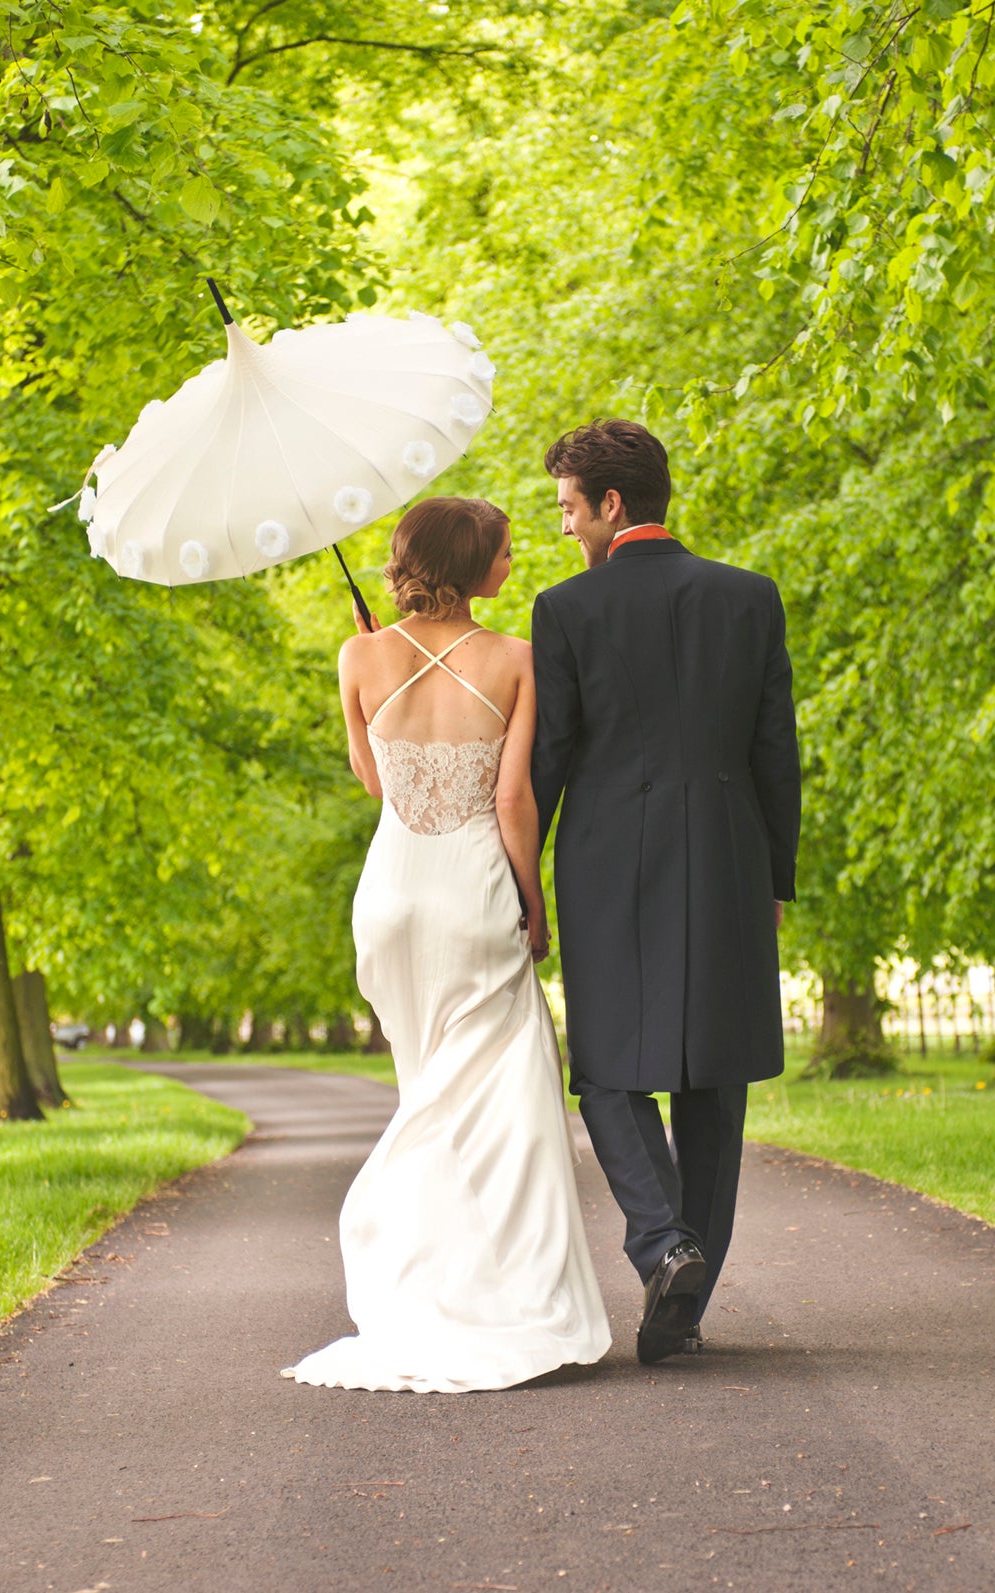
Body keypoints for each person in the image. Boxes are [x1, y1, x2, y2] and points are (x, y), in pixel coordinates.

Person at [286, 496, 611, 1393]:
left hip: (391, 898)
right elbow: (512, 801)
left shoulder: (358, 653)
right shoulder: (516, 659)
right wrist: (532, 904)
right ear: (471, 563)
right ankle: (508, 1297)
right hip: (471, 892)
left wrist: (379, 668)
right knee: (504, 1102)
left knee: (428, 1086)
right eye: (504, 553)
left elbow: (371, 780)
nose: (513, 564)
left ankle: (431, 1288)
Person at [531, 420, 801, 1365]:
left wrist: (520, 880)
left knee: (608, 1068)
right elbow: (778, 751)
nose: (565, 526)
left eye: (569, 506)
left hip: (609, 861)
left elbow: (546, 762)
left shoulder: (564, 611)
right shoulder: (750, 597)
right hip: (728, 853)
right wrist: (778, 876)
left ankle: (662, 1241)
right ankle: (683, 1302)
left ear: (611, 505)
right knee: (714, 1078)